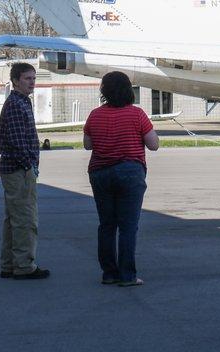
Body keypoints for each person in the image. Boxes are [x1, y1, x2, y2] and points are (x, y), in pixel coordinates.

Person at [83, 71, 159, 286]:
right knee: (128, 226)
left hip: (100, 173)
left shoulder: (95, 115)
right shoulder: (137, 114)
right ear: (128, 90)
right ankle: (127, 275)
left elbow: (88, 144)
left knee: (107, 225)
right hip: (129, 172)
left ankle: (109, 273)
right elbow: (153, 145)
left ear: (104, 91)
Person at [0, 62, 50, 279]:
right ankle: (24, 266)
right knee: (26, 219)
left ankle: (9, 264)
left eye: (34, 78)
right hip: (19, 170)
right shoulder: (17, 105)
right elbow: (19, 142)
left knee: (13, 219)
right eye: (28, 78)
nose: (32, 82)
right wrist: (30, 166)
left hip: (15, 169)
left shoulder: (20, 102)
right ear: (16, 81)